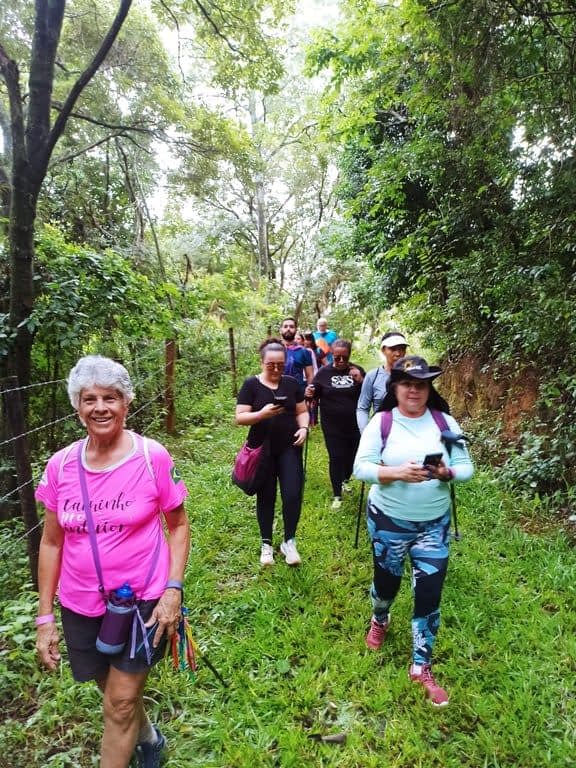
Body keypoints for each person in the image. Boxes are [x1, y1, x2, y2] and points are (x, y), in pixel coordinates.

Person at [35, 356, 190, 768]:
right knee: (113, 692)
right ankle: (150, 739)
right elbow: (51, 543)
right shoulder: (61, 466)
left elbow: (177, 525)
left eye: (110, 397)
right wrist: (45, 618)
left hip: (142, 601)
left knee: (119, 703)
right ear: (77, 405)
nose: (99, 407)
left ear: (126, 403)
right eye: (89, 399)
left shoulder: (150, 457)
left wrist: (173, 590)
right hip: (81, 603)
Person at [353, 355, 474, 707]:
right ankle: (380, 618)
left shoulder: (444, 422)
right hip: (389, 521)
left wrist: (446, 474)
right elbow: (361, 467)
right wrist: (394, 473)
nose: (414, 390)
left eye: (421, 384)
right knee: (386, 586)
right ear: (395, 387)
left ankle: (421, 665)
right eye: (407, 383)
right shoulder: (382, 423)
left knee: (429, 595)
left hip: (434, 526)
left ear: (428, 388)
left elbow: (466, 467)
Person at [236, 339, 309, 566]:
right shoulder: (251, 385)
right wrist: (262, 414)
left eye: (280, 364)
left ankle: (289, 541)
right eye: (271, 365)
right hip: (262, 451)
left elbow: (302, 410)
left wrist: (304, 428)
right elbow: (240, 417)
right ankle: (266, 544)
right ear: (262, 362)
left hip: (289, 447)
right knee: (266, 496)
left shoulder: (291, 384)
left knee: (292, 494)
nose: (276, 369)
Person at [306, 339, 365, 509]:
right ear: (331, 354)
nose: (339, 361)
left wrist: (360, 379)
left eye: (343, 358)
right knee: (336, 457)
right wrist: (309, 393)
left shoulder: (357, 370)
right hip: (332, 425)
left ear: (349, 356)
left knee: (352, 457)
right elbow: (313, 393)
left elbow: (368, 393)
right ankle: (337, 494)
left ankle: (346, 478)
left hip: (354, 424)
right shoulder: (324, 373)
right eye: (336, 357)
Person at [356, 331, 409, 433]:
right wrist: (365, 433)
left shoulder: (413, 375)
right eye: (393, 349)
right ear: (383, 350)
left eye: (402, 349)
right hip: (381, 432)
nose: (398, 353)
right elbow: (363, 408)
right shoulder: (373, 376)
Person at [279, 317, 314, 394]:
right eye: (285, 326)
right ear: (281, 330)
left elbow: (310, 375)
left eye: (291, 327)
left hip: (298, 394)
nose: (288, 329)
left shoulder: (304, 351)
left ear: (296, 330)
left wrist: (308, 391)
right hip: (276, 392)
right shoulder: (274, 349)